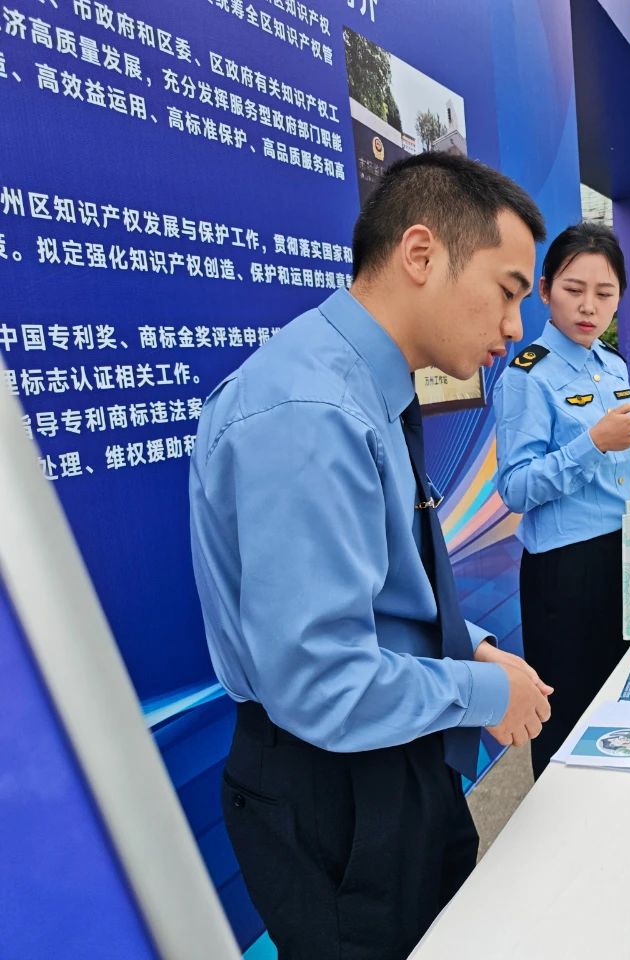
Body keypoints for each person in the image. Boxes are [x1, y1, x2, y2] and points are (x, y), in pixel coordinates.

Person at [189, 153, 555, 960]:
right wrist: (483, 690)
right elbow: (324, 682)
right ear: (420, 253)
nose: (514, 328)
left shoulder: (363, 390)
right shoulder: (311, 412)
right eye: (508, 291)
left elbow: (378, 594)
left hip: (388, 762)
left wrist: (470, 648)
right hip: (338, 792)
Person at [493, 222, 630, 775]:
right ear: (545, 290)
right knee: (568, 713)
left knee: (619, 702)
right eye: (574, 290)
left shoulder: (612, 365)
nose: (589, 307)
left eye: (605, 293)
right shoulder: (527, 376)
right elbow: (516, 488)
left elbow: (615, 466)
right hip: (564, 569)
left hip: (623, 552)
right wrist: (593, 442)